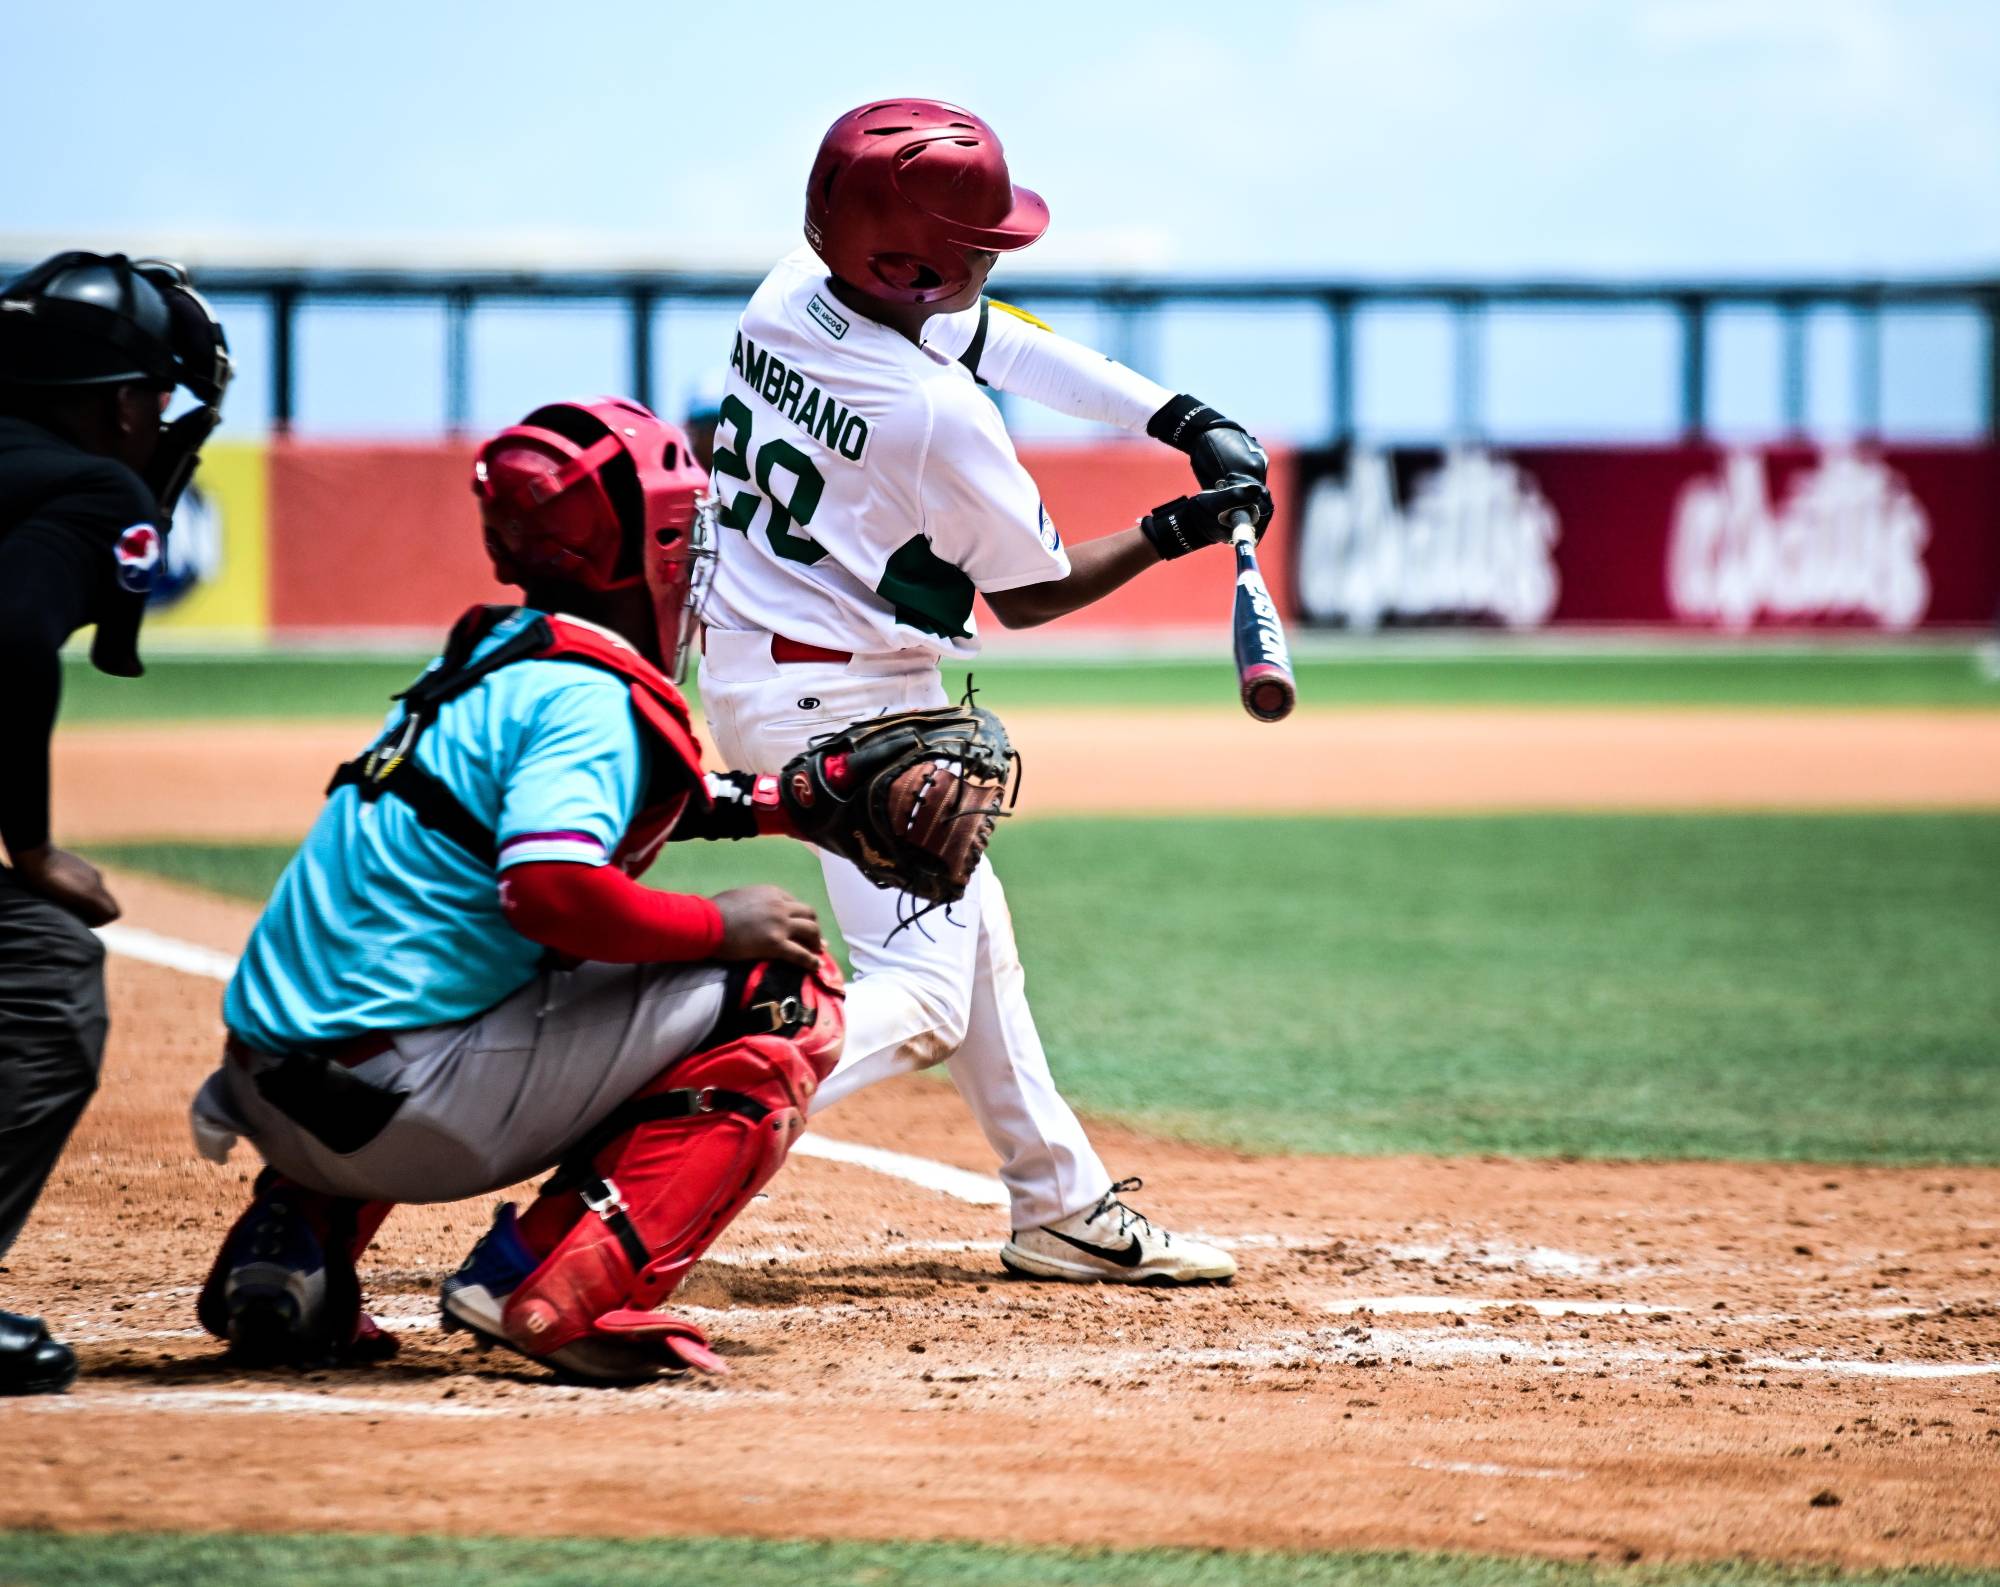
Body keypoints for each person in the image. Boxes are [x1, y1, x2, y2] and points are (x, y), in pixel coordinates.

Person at [696, 99, 1273, 1285]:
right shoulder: (932, 422)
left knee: (977, 947)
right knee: (918, 999)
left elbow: (993, 336)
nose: (991, 257)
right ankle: (673, 1112)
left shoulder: (787, 294)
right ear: (902, 262)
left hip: (763, 662)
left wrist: (1177, 418)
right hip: (848, 703)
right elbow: (1034, 596)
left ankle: (1056, 1205)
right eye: (972, 245)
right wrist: (1177, 530)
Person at [188, 398, 845, 1382]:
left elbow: (563, 816)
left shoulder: (496, 657)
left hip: (273, 1088)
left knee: (449, 952)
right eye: (682, 523)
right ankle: (547, 1288)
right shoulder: (588, 697)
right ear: (645, 543)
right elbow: (549, 892)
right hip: (398, 1114)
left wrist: (785, 804)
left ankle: (289, 1250)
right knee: (783, 988)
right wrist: (720, 925)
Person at [0, 252, 230, 1395]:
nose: (162, 424)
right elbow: (6, 649)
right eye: (159, 398)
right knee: (40, 978)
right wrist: (30, 847)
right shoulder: (94, 490)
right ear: (121, 400)